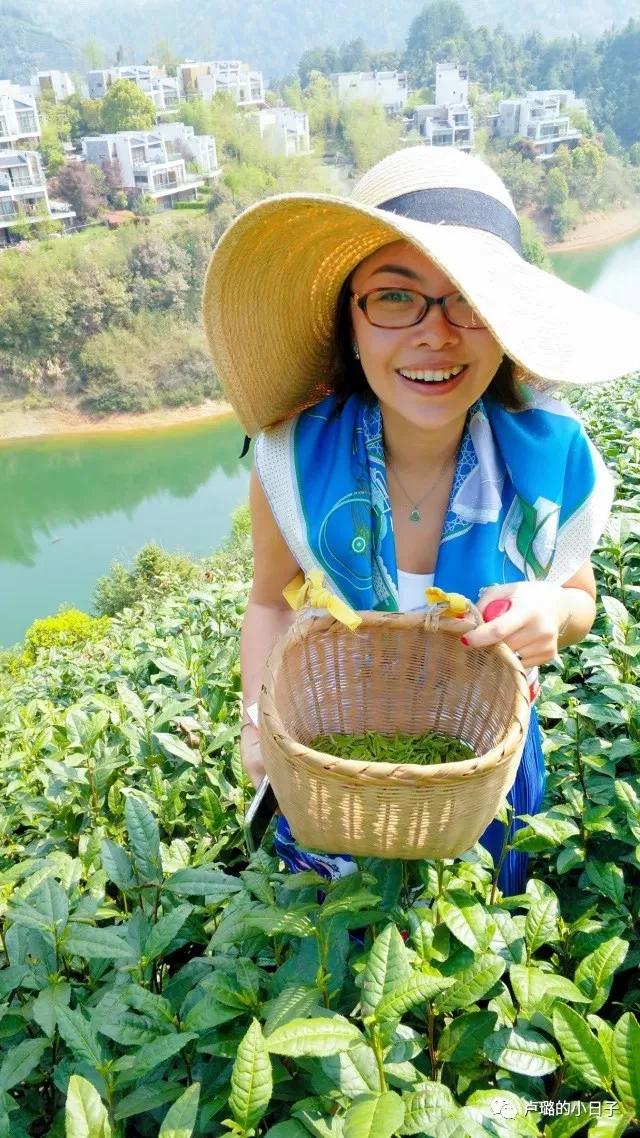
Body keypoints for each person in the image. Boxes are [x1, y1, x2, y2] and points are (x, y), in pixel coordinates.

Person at [202, 145, 640, 895]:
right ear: (353, 320)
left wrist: (550, 613)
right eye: (396, 297)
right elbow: (270, 601)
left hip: (483, 761)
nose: (436, 335)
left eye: (467, 298)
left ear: (504, 323)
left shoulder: (551, 456)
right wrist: (255, 727)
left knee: (468, 949)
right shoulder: (294, 459)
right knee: (341, 948)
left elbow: (579, 602)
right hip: (335, 767)